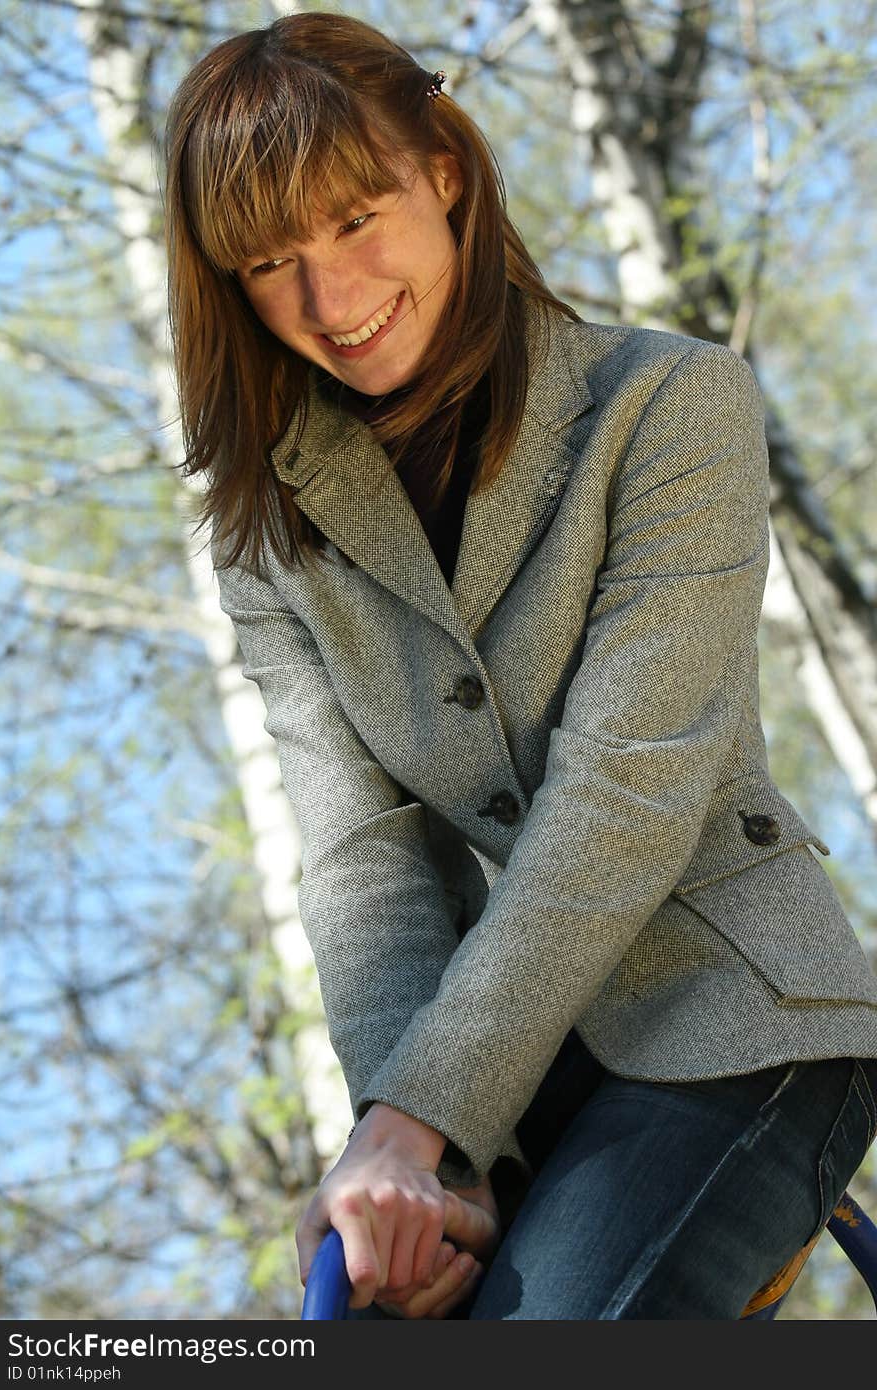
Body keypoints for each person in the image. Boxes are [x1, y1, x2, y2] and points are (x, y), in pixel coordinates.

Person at [162, 11, 877, 1319]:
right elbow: (359, 860)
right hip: (501, 1082)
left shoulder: (669, 408)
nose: (332, 300)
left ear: (444, 172)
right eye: (272, 262)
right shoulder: (269, 541)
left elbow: (625, 798)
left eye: (355, 220)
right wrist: (427, 1150)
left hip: (733, 1018)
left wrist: (422, 1113)